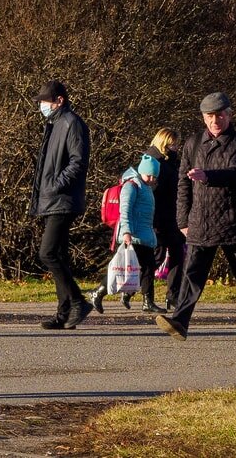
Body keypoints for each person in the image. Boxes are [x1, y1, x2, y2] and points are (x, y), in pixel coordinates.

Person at [153, 92, 236, 341]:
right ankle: (180, 322)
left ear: (229, 115)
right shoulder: (192, 143)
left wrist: (208, 176)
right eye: (210, 116)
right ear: (203, 117)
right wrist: (182, 221)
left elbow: (235, 172)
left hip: (232, 219)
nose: (215, 121)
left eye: (220, 116)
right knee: (192, 274)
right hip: (200, 220)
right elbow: (182, 184)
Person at [30, 79, 92, 330]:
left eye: (45, 101)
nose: (42, 106)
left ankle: (77, 301)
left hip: (62, 199)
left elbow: (78, 162)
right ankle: (64, 312)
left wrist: (55, 185)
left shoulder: (71, 123)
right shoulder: (54, 124)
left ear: (59, 101)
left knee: (48, 253)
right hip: (52, 199)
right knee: (59, 255)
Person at [88, 155, 166, 314]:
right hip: (133, 235)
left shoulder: (146, 187)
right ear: (141, 171)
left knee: (147, 268)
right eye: (148, 175)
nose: (151, 178)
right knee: (125, 268)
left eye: (154, 176)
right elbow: (125, 210)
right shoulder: (132, 186)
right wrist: (126, 232)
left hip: (144, 235)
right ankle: (99, 292)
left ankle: (146, 301)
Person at [145, 128, 185, 311]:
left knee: (177, 253)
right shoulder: (154, 162)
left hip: (171, 216)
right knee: (157, 256)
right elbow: (154, 191)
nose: (176, 147)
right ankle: (141, 290)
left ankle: (173, 295)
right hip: (159, 217)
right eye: (173, 143)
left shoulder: (170, 161)